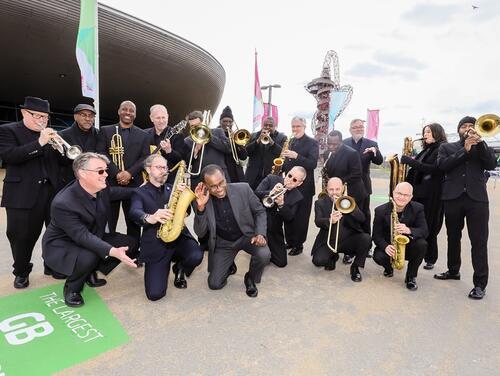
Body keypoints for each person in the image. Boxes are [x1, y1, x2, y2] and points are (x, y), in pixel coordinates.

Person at [42, 153, 139, 307]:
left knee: (131, 244)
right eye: (100, 171)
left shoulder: (100, 187)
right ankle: (72, 288)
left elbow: (115, 193)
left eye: (106, 170)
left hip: (92, 235)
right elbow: (81, 236)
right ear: (83, 173)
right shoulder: (63, 203)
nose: (106, 174)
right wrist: (112, 251)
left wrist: (140, 190)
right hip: (63, 244)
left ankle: (89, 272)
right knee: (90, 255)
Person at [0, 96, 65, 288]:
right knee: (21, 236)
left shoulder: (50, 134)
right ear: (24, 113)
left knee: (55, 233)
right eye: (38, 116)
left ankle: (51, 265)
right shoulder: (7, 131)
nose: (42, 120)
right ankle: (21, 271)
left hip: (52, 193)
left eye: (45, 117)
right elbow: (10, 156)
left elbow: (62, 163)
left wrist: (61, 148)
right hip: (23, 195)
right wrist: (40, 143)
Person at [434, 116, 497, 300]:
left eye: (472, 125)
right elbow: (442, 166)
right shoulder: (447, 147)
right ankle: (453, 270)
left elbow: (492, 164)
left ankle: (480, 284)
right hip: (452, 198)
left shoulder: (483, 147)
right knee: (453, 237)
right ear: (459, 129)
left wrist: (480, 143)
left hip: (477, 200)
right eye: (464, 126)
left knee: (479, 241)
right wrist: (465, 149)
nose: (468, 128)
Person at [129, 154, 203, 301]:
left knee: (196, 255)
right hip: (157, 242)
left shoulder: (172, 188)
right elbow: (134, 211)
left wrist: (183, 197)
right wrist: (150, 217)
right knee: (155, 295)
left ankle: (179, 268)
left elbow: (186, 213)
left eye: (165, 167)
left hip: (178, 236)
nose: (164, 170)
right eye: (159, 167)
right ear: (148, 170)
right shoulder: (139, 192)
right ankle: (164, 265)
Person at [193, 164, 271, 297]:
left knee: (264, 254)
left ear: (224, 177)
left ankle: (250, 278)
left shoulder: (243, 189)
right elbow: (200, 232)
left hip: (247, 237)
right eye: (213, 186)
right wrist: (200, 208)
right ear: (205, 185)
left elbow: (259, 211)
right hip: (224, 243)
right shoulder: (201, 200)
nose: (219, 189)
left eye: (221, 183)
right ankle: (228, 266)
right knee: (214, 284)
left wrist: (260, 233)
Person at [96, 100, 149, 241]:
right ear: (119, 111)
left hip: (133, 183)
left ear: (135, 114)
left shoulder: (143, 135)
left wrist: (129, 173)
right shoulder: (105, 130)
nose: (128, 112)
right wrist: (117, 173)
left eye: (131, 110)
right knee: (109, 219)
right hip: (110, 182)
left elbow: (145, 157)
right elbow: (101, 153)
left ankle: (134, 251)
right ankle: (108, 251)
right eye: (125, 109)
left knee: (134, 221)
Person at [402, 123, 447, 270]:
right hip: (419, 193)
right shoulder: (425, 150)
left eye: (428, 132)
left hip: (432, 194)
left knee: (430, 225)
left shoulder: (441, 148)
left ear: (437, 133)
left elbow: (435, 169)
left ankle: (430, 258)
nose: (425, 134)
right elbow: (417, 171)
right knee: (419, 223)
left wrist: (411, 162)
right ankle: (418, 254)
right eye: (424, 132)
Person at [311, 177, 371, 282]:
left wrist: (350, 209)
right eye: (331, 189)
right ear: (326, 189)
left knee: (366, 239)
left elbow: (362, 218)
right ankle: (333, 257)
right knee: (318, 261)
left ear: (343, 188)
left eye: (337, 189)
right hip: (329, 241)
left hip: (348, 240)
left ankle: (355, 267)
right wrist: (330, 220)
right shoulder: (320, 203)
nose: (334, 193)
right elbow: (318, 221)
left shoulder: (349, 201)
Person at [372, 182, 428, 291]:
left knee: (422, 244)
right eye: (399, 193)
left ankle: (411, 277)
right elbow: (376, 235)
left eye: (406, 195)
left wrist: (409, 230)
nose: (402, 197)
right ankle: (389, 268)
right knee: (378, 256)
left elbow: (424, 231)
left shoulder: (418, 208)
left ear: (411, 197)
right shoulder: (380, 210)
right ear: (393, 193)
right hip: (390, 247)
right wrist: (385, 247)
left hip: (409, 246)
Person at [323, 130, 368, 264]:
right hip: (337, 191)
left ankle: (354, 251)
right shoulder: (327, 153)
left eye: (335, 144)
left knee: (354, 222)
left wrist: (337, 182)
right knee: (339, 220)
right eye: (329, 144)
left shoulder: (351, 153)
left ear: (341, 142)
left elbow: (357, 174)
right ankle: (337, 245)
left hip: (353, 192)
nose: (332, 147)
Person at [282, 116, 319, 256]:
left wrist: (296, 156)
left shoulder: (312, 143)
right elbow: (287, 163)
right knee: (288, 214)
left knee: (301, 218)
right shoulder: (290, 141)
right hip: (290, 185)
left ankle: (299, 244)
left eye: (298, 126)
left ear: (304, 126)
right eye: (293, 126)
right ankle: (290, 241)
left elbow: (312, 164)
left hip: (305, 188)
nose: (295, 129)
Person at [255, 166, 305, 267]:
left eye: (295, 180)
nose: (290, 180)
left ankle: (266, 248)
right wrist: (270, 192)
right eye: (289, 175)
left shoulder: (298, 197)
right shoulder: (271, 178)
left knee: (281, 262)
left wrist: (282, 204)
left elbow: (289, 218)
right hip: (257, 223)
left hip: (274, 229)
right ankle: (261, 248)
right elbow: (255, 194)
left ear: (299, 183)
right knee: (261, 257)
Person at [343, 119, 383, 235]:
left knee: (364, 214)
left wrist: (375, 152)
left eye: (361, 127)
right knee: (348, 213)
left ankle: (366, 242)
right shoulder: (343, 143)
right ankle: (349, 243)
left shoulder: (372, 144)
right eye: (355, 127)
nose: (359, 129)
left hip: (363, 186)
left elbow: (379, 161)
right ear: (350, 130)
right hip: (346, 185)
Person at [184, 110, 232, 188]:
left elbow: (228, 148)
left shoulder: (217, 132)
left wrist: (208, 137)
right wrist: (196, 150)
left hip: (220, 176)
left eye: (198, 125)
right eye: (192, 126)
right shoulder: (187, 140)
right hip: (200, 180)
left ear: (203, 123)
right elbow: (186, 162)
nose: (196, 128)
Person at [145, 104, 185, 185]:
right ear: (151, 118)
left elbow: (181, 160)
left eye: (163, 117)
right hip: (148, 179)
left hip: (168, 181)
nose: (161, 121)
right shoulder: (144, 134)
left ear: (167, 116)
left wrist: (169, 151)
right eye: (158, 118)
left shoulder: (176, 135)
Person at [59, 103, 99, 184]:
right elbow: (60, 162)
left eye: (91, 116)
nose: (88, 119)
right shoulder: (62, 135)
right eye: (83, 115)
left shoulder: (100, 134)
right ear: (75, 117)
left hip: (94, 180)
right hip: (71, 181)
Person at [245, 116, 287, 190]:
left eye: (270, 126)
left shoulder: (282, 138)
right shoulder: (254, 135)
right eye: (265, 125)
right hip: (253, 176)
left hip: (271, 176)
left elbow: (282, 155)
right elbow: (246, 152)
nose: (267, 127)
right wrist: (257, 141)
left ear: (275, 126)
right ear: (262, 125)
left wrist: (272, 143)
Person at [218, 105, 248, 182]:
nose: (227, 124)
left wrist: (236, 141)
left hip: (235, 173)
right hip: (221, 171)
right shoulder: (215, 134)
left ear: (233, 123)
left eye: (230, 121)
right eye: (224, 121)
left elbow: (243, 156)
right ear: (220, 122)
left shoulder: (236, 135)